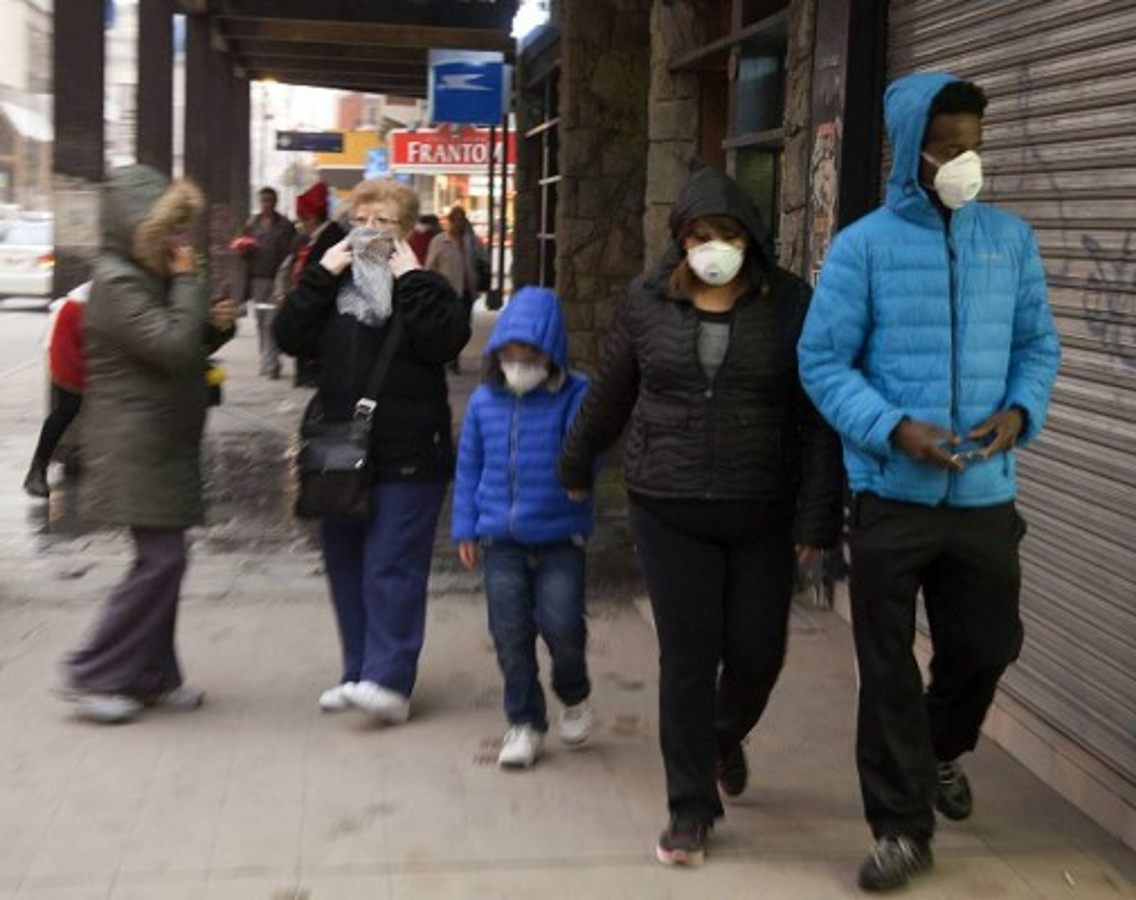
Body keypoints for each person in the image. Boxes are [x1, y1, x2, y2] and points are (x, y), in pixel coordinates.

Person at [798, 73, 1061, 893]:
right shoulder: (864, 247)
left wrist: (1020, 411)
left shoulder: (1009, 241)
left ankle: (941, 750)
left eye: (975, 143)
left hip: (984, 497)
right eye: (949, 144)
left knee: (986, 648)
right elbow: (822, 361)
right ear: (913, 148)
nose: (966, 160)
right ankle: (900, 827)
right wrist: (892, 428)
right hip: (891, 499)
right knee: (886, 672)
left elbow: (1038, 347)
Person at [558, 162, 844, 866]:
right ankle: (690, 807)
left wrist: (816, 519)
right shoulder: (646, 300)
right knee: (688, 658)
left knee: (757, 652)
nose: (711, 247)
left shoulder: (790, 305)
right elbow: (611, 392)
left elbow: (815, 422)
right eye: (697, 235)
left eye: (724, 234)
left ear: (749, 238)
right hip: (669, 504)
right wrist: (575, 464)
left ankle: (722, 734)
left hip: (762, 509)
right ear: (679, 241)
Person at [274, 177, 471, 724]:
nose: (371, 230)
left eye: (385, 222)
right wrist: (323, 270)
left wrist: (411, 277)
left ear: (406, 232)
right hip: (340, 451)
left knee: (391, 566)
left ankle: (390, 681)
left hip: (411, 451)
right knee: (345, 565)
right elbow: (289, 335)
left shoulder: (422, 284)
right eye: (363, 218)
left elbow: (446, 339)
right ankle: (357, 672)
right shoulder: (333, 287)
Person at [63, 164, 238, 724]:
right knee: (161, 561)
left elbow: (184, 343)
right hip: (133, 444)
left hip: (161, 440)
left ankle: (154, 675)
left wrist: (216, 325)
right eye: (169, 230)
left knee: (166, 561)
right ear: (138, 227)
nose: (179, 241)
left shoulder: (143, 274)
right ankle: (94, 671)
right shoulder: (116, 281)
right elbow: (168, 347)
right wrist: (188, 285)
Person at [452, 286, 595, 770]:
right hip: (501, 543)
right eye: (510, 353)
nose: (519, 362)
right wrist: (465, 527)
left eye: (530, 353)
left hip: (559, 539)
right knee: (510, 634)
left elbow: (585, 449)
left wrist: (580, 481)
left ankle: (572, 690)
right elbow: (469, 464)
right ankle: (525, 722)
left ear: (550, 351)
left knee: (563, 627)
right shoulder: (483, 402)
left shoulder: (576, 394)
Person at [23, 280, 91, 499]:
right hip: (72, 332)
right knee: (67, 407)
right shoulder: (75, 307)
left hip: (102, 336)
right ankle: (37, 470)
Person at [278, 181, 343, 388]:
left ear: (312, 218)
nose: (300, 224)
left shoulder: (331, 240)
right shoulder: (316, 239)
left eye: (301, 219)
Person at [236, 186, 296, 379]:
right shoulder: (251, 224)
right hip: (257, 280)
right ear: (259, 202)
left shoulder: (285, 226)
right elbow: (242, 253)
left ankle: (271, 365)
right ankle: (267, 359)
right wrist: (245, 249)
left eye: (270, 200)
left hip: (277, 279)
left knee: (271, 322)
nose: (267, 204)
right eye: (263, 201)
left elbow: (291, 254)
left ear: (275, 201)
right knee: (261, 322)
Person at [425, 205, 485, 373]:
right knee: (447, 327)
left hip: (467, 293)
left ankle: (454, 357)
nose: (459, 224)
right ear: (450, 222)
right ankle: (449, 359)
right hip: (447, 291)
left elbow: (479, 261)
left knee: (463, 328)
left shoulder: (470, 241)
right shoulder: (439, 241)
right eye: (456, 220)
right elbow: (430, 267)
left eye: (462, 220)